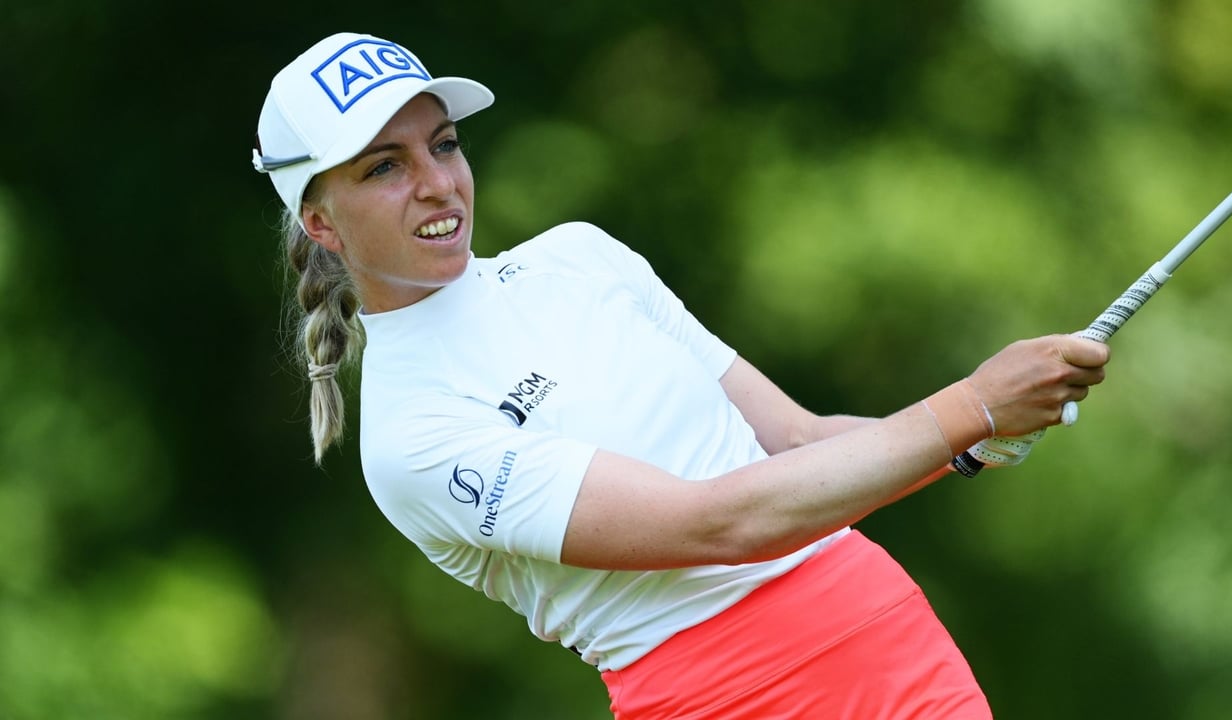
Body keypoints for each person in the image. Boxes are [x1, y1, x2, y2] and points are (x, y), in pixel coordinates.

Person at [252, 31, 1109, 719]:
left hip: (882, 633)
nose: (438, 184)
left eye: (442, 145)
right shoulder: (411, 433)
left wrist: (979, 437)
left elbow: (799, 442)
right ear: (321, 223)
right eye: (385, 167)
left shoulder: (578, 258)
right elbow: (717, 525)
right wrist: (968, 408)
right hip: (724, 696)